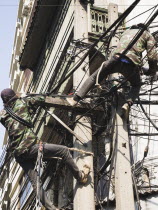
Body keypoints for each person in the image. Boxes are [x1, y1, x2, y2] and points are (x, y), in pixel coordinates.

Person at [0, 88, 90, 210]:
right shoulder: (24, 102)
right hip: (30, 146)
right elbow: (41, 98)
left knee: (36, 183)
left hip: (19, 155)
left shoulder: (4, 115)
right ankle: (80, 177)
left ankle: (51, 208)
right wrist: (27, 95)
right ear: (14, 95)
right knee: (63, 150)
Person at [67, 23, 158, 116]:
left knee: (94, 77)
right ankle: (127, 104)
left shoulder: (126, 32)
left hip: (115, 60)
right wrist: (152, 71)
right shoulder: (147, 34)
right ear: (146, 29)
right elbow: (152, 57)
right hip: (131, 65)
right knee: (136, 85)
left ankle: (75, 99)